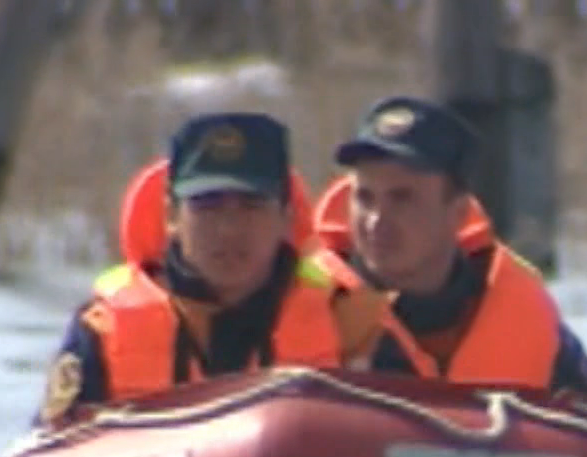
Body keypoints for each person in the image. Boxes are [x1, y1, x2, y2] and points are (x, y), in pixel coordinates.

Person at [36, 112, 393, 428]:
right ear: (171, 217)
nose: (229, 229)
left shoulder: (349, 321)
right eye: (208, 207)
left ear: (286, 217)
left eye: (251, 207)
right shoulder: (104, 332)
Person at [309, 96, 587, 398]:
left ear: (458, 213)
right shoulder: (302, 304)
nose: (376, 220)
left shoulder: (525, 316)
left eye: (402, 198)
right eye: (364, 198)